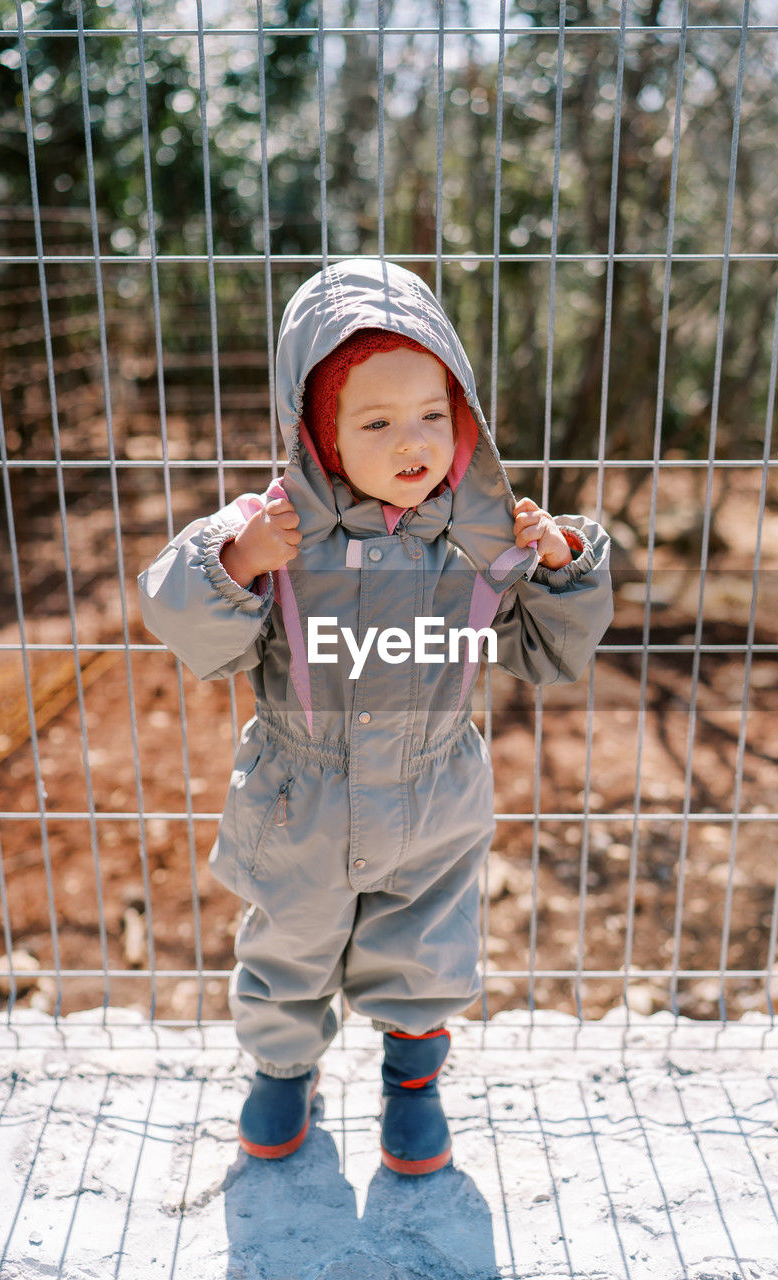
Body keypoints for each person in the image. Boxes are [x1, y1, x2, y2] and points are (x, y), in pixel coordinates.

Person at [138, 258, 613, 1175]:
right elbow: (199, 636)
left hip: (434, 792)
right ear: (318, 433)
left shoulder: (486, 540)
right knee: (288, 942)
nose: (413, 441)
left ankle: (413, 1080)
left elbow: (548, 652)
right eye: (377, 419)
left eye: (433, 413)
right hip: (298, 794)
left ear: (463, 415)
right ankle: (282, 1069)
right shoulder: (272, 529)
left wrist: (561, 568)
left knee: (426, 947)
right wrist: (235, 562)